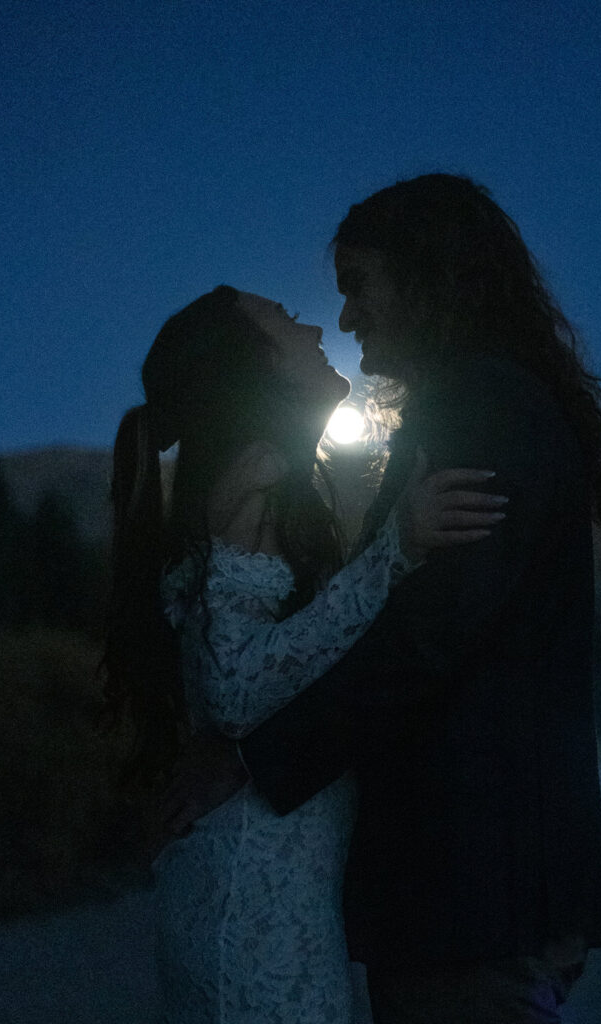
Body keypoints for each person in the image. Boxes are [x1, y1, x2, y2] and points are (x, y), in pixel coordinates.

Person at [162, 174, 601, 1023]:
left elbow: (431, 634)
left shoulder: (481, 407)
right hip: (466, 883)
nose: (343, 320)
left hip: (476, 882)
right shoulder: (475, 403)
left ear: (429, 278)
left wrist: (255, 760)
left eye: (357, 288)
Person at [103, 283, 505, 1023]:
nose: (316, 325)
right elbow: (234, 688)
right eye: (285, 321)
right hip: (251, 886)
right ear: (252, 367)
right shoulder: (255, 478)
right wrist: (396, 551)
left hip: (273, 880)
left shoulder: (282, 480)